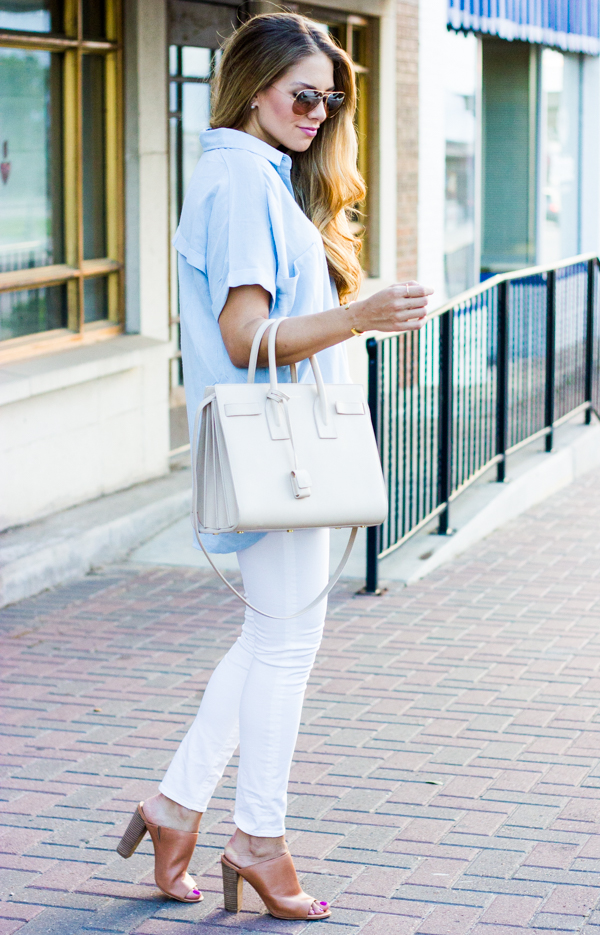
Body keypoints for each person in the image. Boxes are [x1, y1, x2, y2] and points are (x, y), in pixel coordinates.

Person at [117, 11, 432, 922]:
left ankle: (175, 808)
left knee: (269, 641)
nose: (318, 114)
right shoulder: (242, 184)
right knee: (286, 647)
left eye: (329, 102)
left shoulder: (249, 174)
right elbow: (246, 335)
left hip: (285, 450)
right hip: (283, 450)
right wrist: (359, 317)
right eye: (304, 95)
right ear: (252, 85)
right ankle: (257, 835)